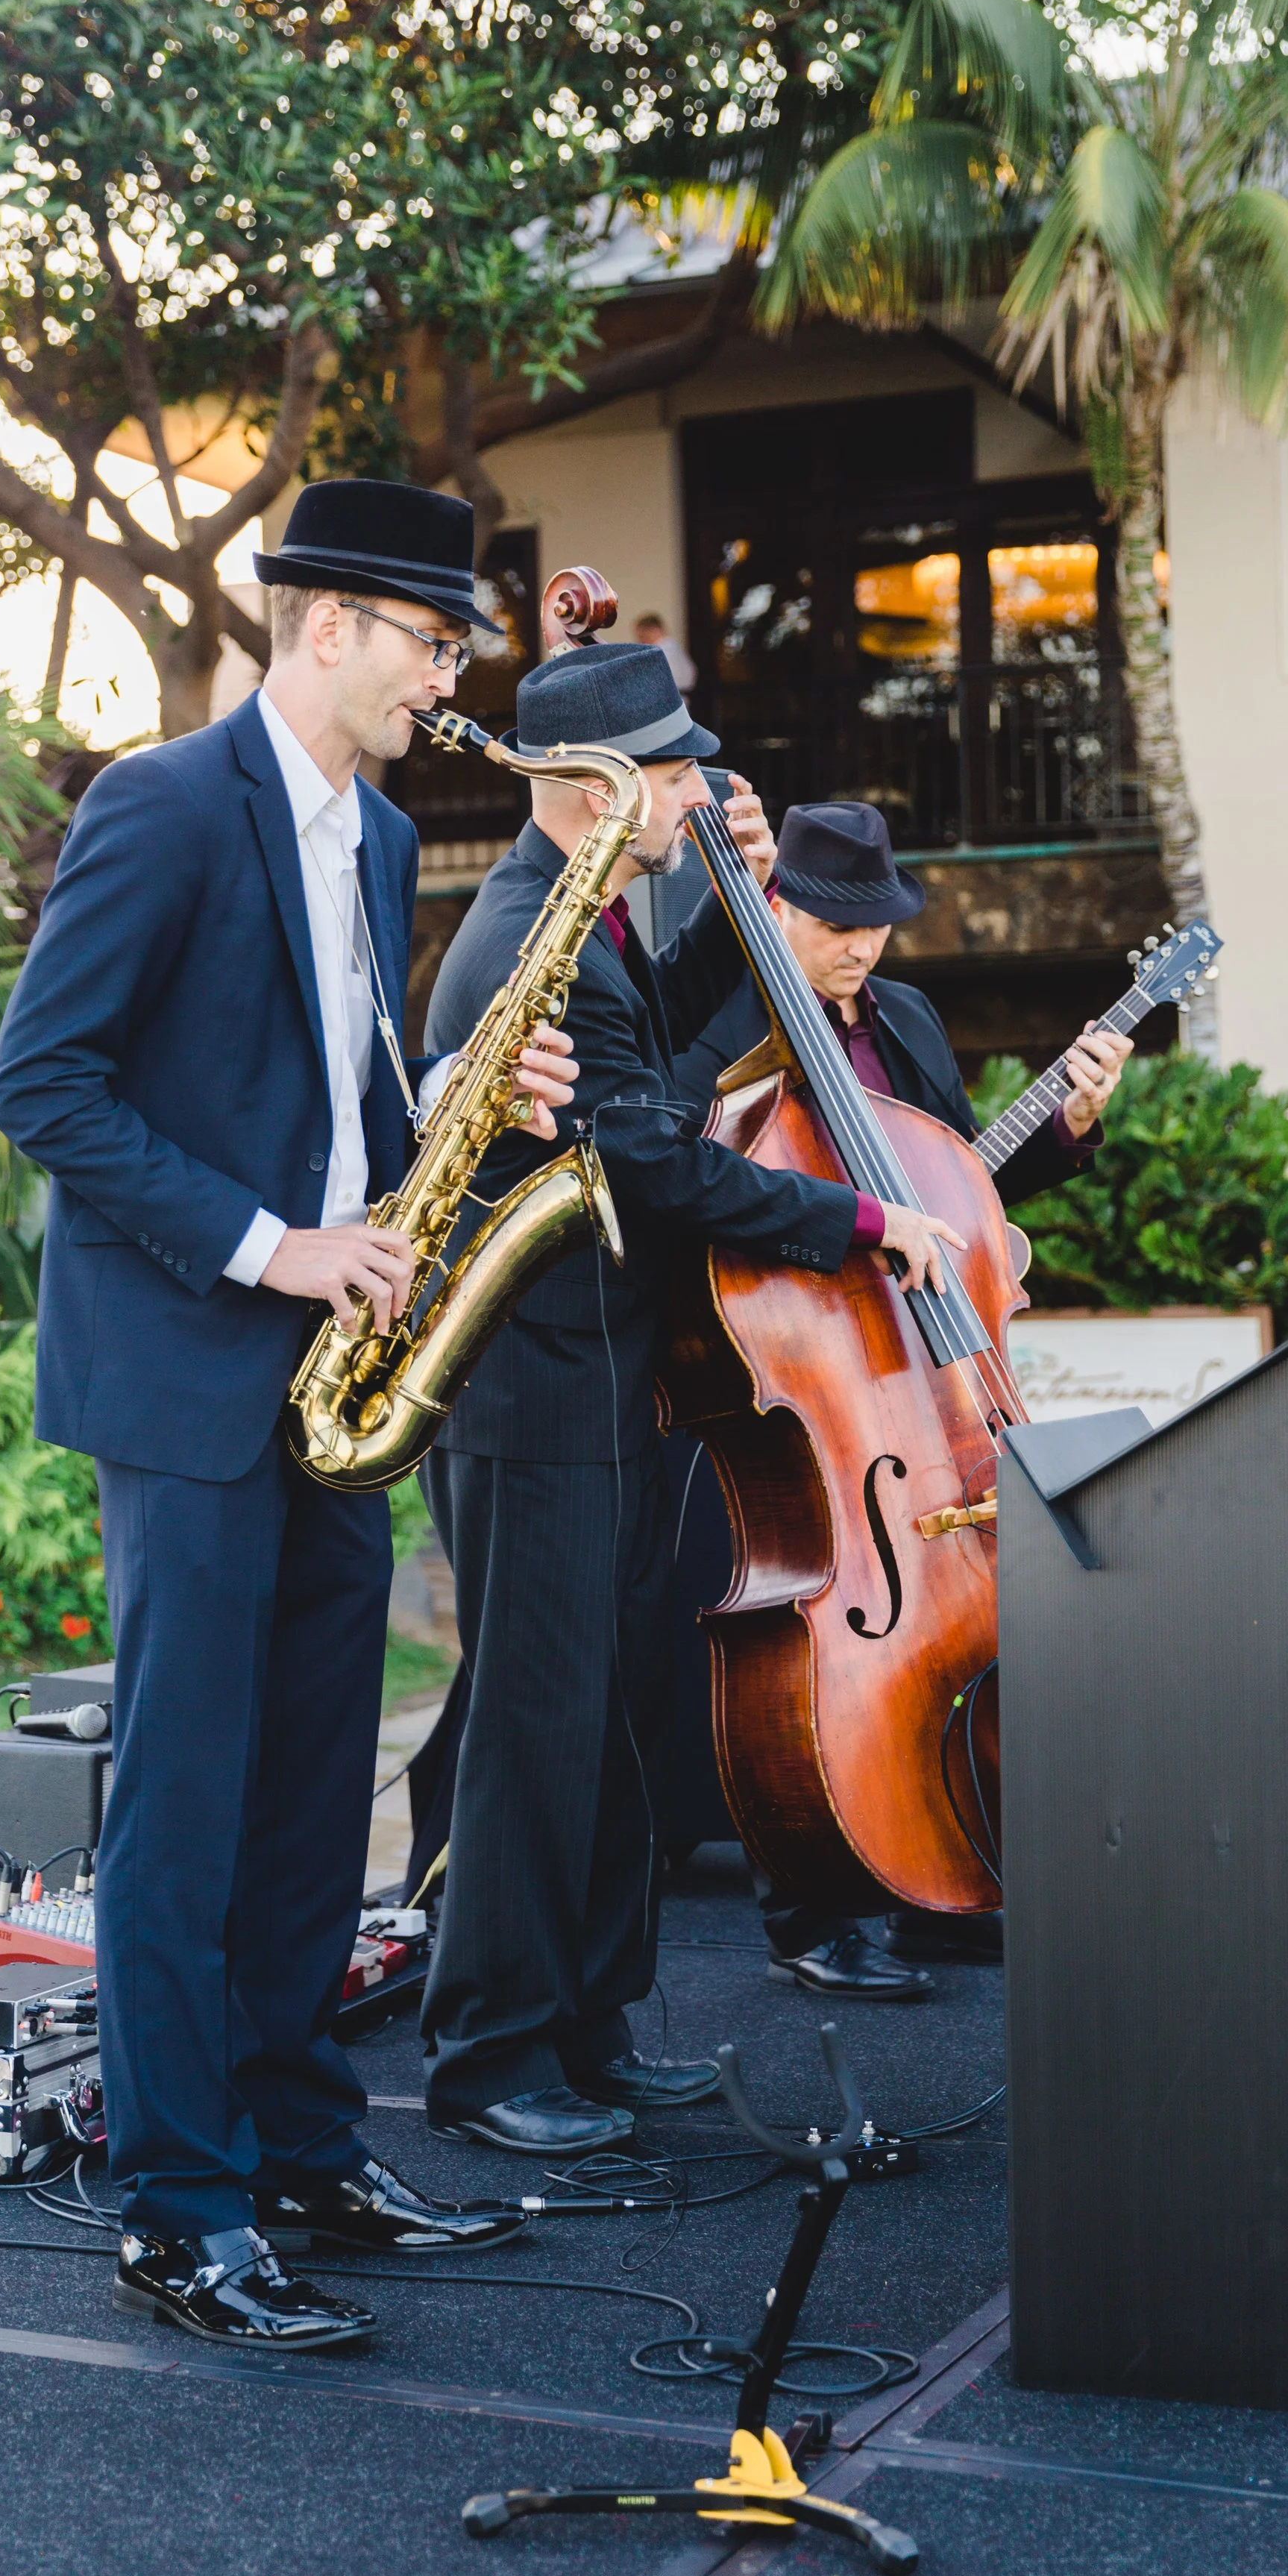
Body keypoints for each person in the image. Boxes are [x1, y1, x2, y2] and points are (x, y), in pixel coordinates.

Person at [0, 477, 579, 2351]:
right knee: (185, 1803)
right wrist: (273, 1250)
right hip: (190, 1371)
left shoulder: (379, 833)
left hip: (333, 1379)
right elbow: (43, 1085)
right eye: (431, 643)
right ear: (326, 625)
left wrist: (475, 1096)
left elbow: (338, 1099)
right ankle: (180, 2208)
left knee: (320, 1784)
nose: (448, 680)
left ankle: (303, 2148)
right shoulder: (160, 804)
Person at [416, 648, 964, 2155]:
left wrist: (740, 906)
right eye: (668, 773)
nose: (693, 794)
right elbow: (656, 1160)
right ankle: (487, 2057)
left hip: (598, 1379)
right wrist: (860, 1222)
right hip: (528, 1388)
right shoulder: (525, 932)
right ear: (590, 785)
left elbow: (659, 1047)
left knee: (606, 1727)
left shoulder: (589, 921)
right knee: (532, 1733)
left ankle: (585, 2032)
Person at [673, 798, 1131, 1992]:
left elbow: (958, 1182)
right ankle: (813, 1903)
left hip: (920, 1385)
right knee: (814, 1631)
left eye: (876, 923)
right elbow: (698, 1188)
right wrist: (856, 1225)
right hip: (800, 1369)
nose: (860, 946)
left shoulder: (909, 1017)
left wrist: (1070, 1125)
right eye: (835, 924)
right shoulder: (724, 1021)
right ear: (777, 905)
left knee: (978, 1616)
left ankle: (948, 1867)